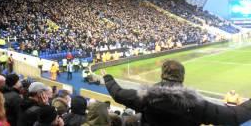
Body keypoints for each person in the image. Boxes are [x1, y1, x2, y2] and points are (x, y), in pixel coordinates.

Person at [101, 60, 251, 126]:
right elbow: (234, 117)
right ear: (182, 77)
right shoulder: (196, 103)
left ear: (162, 75)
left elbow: (118, 93)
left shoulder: (144, 96)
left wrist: (107, 77)